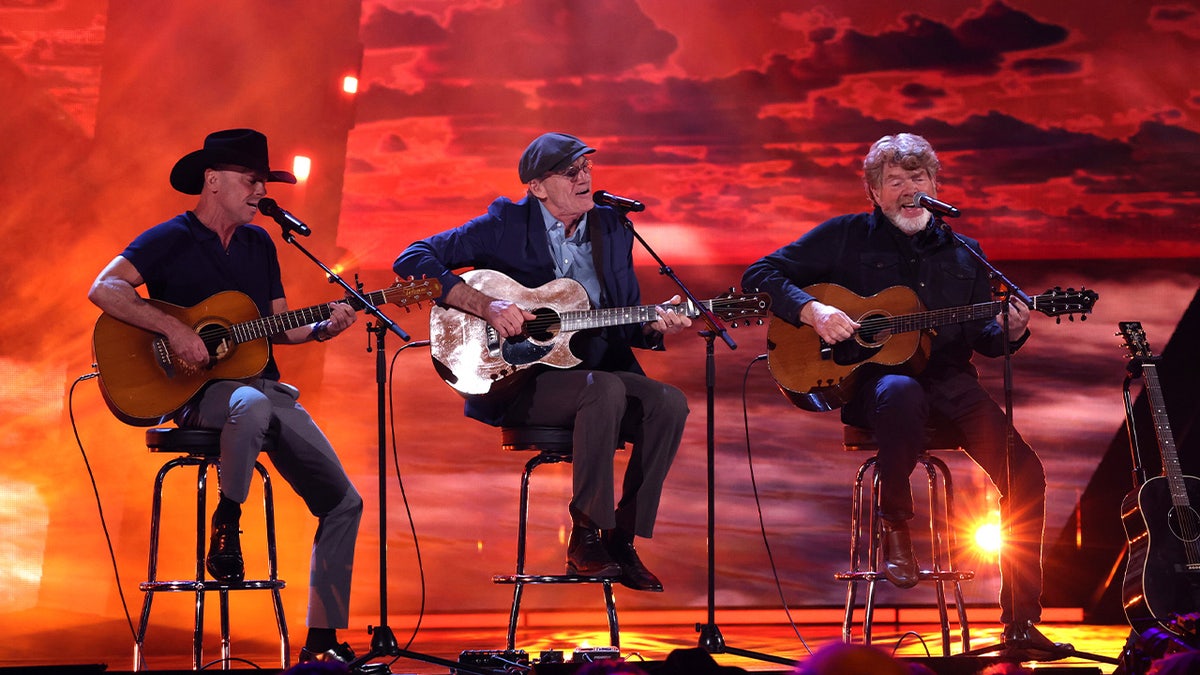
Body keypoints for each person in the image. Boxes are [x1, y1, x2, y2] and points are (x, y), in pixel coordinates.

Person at [742, 133, 1070, 659]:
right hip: (875, 386)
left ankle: (1020, 623)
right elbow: (760, 273)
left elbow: (983, 340)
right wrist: (814, 311)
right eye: (895, 181)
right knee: (899, 390)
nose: (908, 190)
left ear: (936, 185)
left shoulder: (966, 253)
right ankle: (897, 522)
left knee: (1025, 473)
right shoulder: (846, 236)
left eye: (918, 179)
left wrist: (1010, 332)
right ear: (874, 192)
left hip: (952, 383)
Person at [88, 129, 364, 664]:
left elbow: (278, 327)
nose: (260, 190)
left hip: (263, 386)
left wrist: (325, 328)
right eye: (251, 180)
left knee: (344, 502)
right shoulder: (170, 237)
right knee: (250, 403)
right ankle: (229, 519)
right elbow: (105, 287)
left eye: (264, 181)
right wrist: (173, 331)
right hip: (200, 396)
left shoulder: (262, 243)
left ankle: (322, 643)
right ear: (212, 181)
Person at [393, 132, 690, 592]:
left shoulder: (612, 228)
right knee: (604, 389)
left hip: (595, 372)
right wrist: (486, 306)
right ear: (537, 187)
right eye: (570, 172)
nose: (585, 177)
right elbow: (413, 258)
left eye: (587, 167)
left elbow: (624, 318)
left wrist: (655, 326)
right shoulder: (504, 223)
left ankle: (621, 539)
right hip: (520, 382)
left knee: (668, 402)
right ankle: (585, 535)